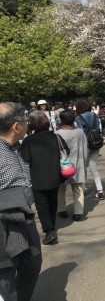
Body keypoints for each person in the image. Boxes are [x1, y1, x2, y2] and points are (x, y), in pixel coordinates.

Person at [0, 102, 42, 301]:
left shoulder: (16, 146)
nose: (29, 123)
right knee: (5, 275)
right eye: (26, 120)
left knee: (33, 263)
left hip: (25, 216)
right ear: (16, 127)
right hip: (4, 220)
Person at [21, 111, 69, 245]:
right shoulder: (56, 137)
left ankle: (49, 231)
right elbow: (66, 151)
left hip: (37, 177)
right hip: (55, 174)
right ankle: (51, 226)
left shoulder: (28, 140)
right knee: (53, 201)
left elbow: (25, 158)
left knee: (42, 205)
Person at [55, 110, 89, 222]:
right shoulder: (80, 132)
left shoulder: (57, 133)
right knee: (78, 188)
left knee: (61, 188)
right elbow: (85, 148)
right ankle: (78, 212)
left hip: (63, 165)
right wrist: (85, 163)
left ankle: (61, 209)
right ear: (73, 119)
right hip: (78, 163)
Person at [75, 99, 105, 200]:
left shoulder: (79, 118)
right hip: (96, 143)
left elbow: (80, 133)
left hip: (85, 145)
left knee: (83, 168)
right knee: (94, 167)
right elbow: (98, 129)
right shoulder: (94, 115)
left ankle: (82, 190)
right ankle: (100, 191)